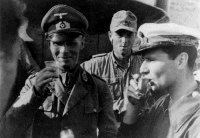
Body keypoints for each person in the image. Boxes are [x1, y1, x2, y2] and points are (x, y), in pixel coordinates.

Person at [0, 4, 117, 138]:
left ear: (82, 43)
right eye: (57, 43)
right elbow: (7, 131)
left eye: (71, 43)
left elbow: (109, 133)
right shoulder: (34, 83)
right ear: (49, 44)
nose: (64, 51)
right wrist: (34, 94)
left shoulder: (98, 87)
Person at [124, 23, 200, 138]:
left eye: (150, 60)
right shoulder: (162, 104)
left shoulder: (196, 122)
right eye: (144, 60)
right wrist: (133, 108)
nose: (142, 69)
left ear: (181, 61)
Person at [81, 10, 143, 127]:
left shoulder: (144, 66)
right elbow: (81, 102)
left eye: (129, 35)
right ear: (110, 36)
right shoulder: (92, 67)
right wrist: (123, 105)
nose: (124, 41)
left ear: (135, 37)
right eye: (120, 34)